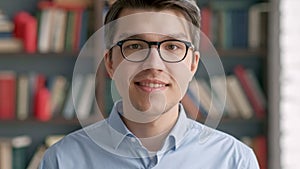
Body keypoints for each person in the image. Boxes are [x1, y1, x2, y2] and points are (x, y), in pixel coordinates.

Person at [39, 0, 260, 168]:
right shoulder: (62, 160)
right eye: (135, 46)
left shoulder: (235, 161)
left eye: (172, 47)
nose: (153, 65)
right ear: (110, 63)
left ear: (192, 64)